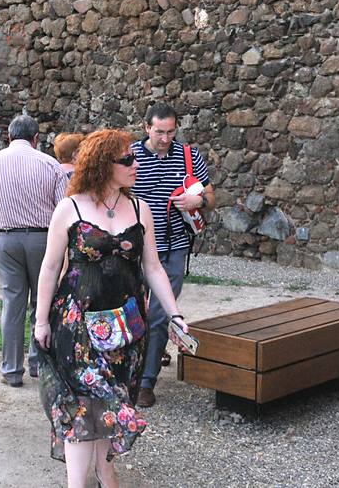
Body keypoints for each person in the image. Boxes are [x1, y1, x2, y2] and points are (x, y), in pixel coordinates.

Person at [33, 129, 190, 488]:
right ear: (104, 165)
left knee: (112, 399)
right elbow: (49, 266)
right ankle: (79, 483)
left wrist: (175, 314)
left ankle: (105, 469)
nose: (136, 164)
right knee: (83, 400)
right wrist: (41, 320)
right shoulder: (69, 208)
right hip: (77, 325)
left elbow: (153, 268)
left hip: (128, 327)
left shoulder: (139, 208)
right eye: (127, 160)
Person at [0, 113, 68, 387]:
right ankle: (38, 363)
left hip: (6, 239)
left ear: (8, 137)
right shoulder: (51, 165)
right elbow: (65, 210)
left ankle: (11, 370)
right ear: (36, 139)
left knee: (12, 303)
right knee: (43, 300)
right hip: (44, 239)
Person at [130, 103, 214, 409]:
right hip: (135, 250)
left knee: (159, 315)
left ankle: (145, 382)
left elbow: (211, 196)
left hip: (175, 247)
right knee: (133, 313)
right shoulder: (130, 156)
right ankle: (128, 371)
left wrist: (199, 199)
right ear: (146, 128)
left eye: (171, 131)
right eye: (159, 131)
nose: (165, 138)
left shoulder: (189, 156)